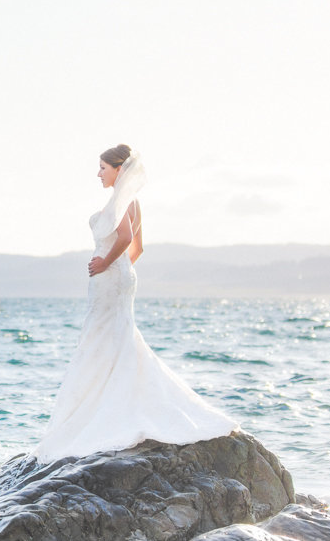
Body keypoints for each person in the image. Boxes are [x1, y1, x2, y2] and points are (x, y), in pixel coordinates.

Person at [32, 144, 238, 461]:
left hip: (109, 280)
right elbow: (138, 248)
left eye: (102, 168)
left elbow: (127, 239)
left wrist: (105, 265)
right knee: (118, 340)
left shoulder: (120, 200)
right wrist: (120, 268)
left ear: (118, 169)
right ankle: (116, 405)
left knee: (101, 340)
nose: (98, 173)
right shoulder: (132, 202)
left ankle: (101, 414)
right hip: (120, 278)